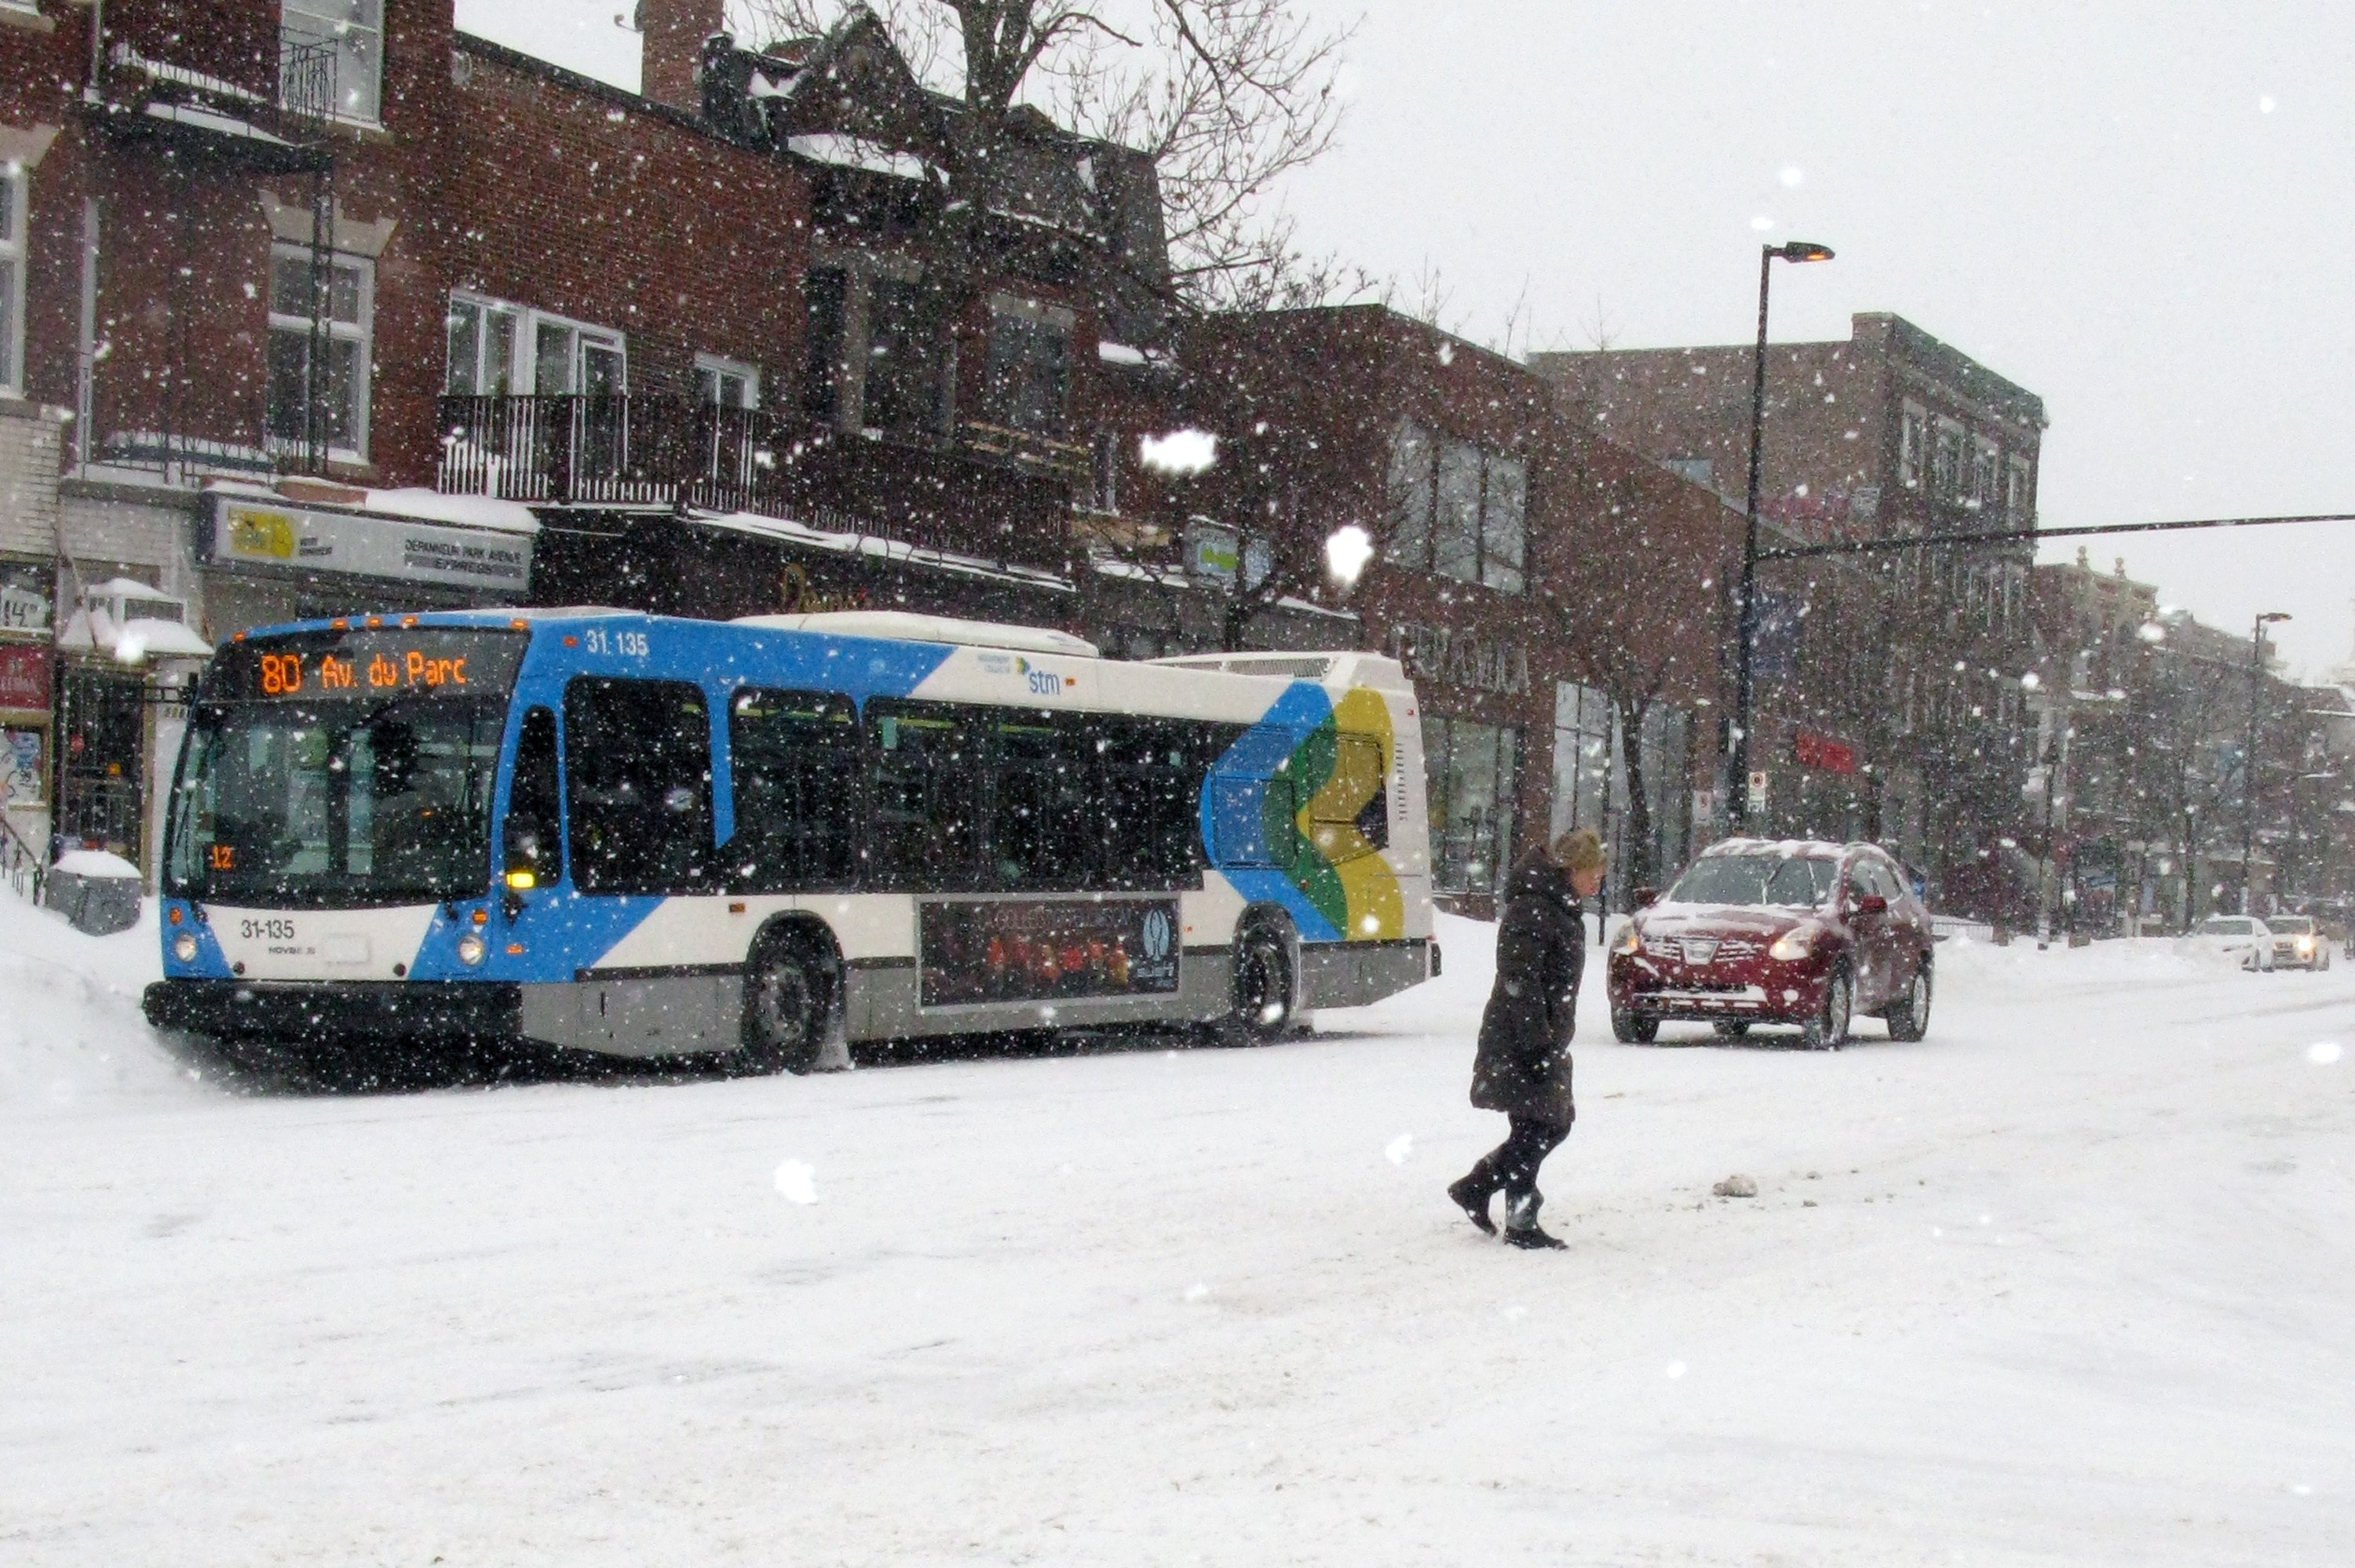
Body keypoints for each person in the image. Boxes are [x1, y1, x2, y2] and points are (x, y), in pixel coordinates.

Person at [1448, 827, 1607, 1249]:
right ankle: (1518, 1219)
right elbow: (1520, 978)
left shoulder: (1558, 908)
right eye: (1593, 872)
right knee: (1539, 1125)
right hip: (1521, 1035)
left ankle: (1478, 1187)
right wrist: (1537, 1042)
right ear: (1571, 869)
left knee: (1547, 1125)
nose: (1598, 881)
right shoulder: (1534, 909)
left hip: (1541, 1035)